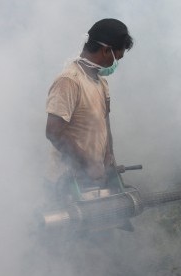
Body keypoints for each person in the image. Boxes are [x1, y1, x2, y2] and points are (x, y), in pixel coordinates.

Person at [45, 18, 134, 200]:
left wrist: (108, 157)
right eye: (117, 57)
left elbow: (104, 121)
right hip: (67, 183)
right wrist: (87, 164)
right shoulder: (69, 81)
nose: (117, 62)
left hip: (92, 182)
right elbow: (54, 131)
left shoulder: (101, 83)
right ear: (105, 50)